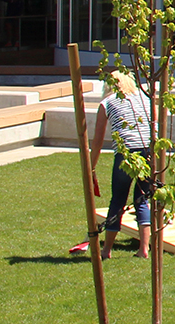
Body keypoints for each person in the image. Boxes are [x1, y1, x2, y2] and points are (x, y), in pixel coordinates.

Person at [68, 71, 159, 258]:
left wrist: (91, 167)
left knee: (117, 200)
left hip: (126, 153)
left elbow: (98, 140)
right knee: (142, 199)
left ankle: (106, 250)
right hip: (148, 151)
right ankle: (144, 250)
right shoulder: (145, 97)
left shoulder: (108, 103)